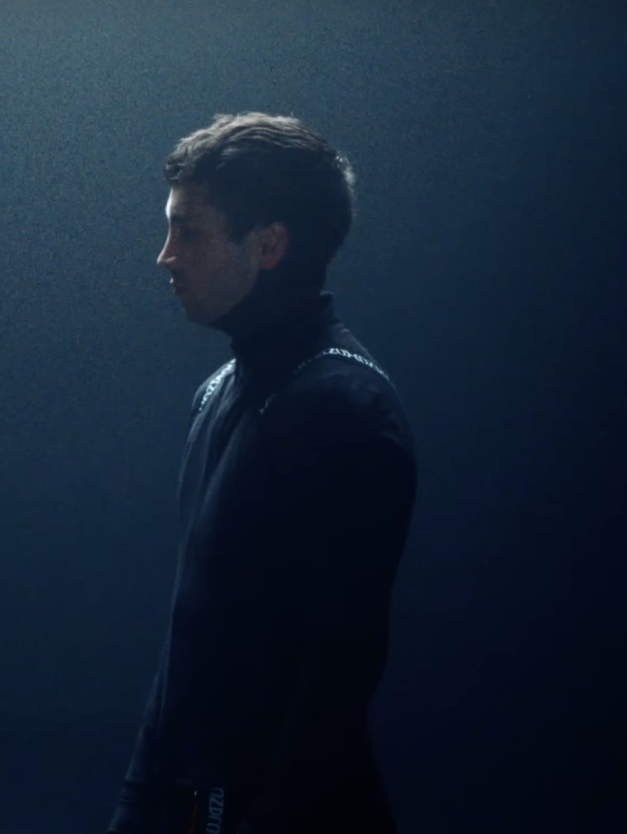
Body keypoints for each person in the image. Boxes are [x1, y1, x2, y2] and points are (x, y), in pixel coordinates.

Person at [107, 114, 417, 834]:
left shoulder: (346, 410)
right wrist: (133, 810)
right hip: (191, 806)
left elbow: (331, 685)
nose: (165, 256)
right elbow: (191, 641)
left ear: (269, 245)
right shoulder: (218, 393)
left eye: (187, 232)